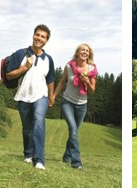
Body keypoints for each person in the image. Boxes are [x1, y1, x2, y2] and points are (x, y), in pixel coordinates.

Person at [6, 24, 55, 170]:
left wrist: (51, 96)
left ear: (46, 41)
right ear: (33, 35)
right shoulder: (20, 54)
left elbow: (50, 79)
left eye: (43, 36)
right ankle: (28, 153)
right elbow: (9, 74)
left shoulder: (49, 59)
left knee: (39, 121)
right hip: (23, 96)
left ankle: (39, 159)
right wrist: (25, 67)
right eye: (37, 35)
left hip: (41, 95)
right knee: (27, 128)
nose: (39, 38)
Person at [51, 43, 97, 170]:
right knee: (73, 129)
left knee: (74, 132)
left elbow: (92, 90)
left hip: (82, 105)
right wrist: (54, 96)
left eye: (87, 51)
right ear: (77, 53)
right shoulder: (69, 66)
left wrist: (87, 81)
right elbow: (61, 82)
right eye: (82, 50)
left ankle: (67, 156)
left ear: (89, 54)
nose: (85, 52)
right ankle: (76, 162)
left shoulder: (92, 69)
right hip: (67, 102)